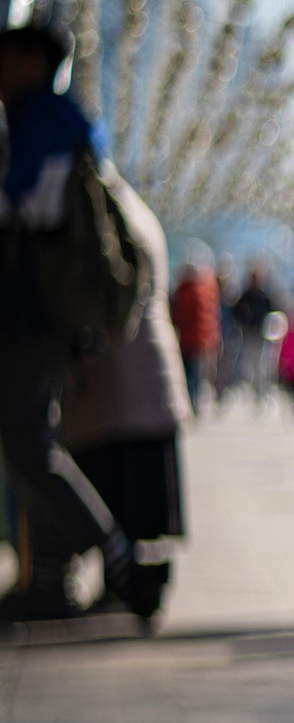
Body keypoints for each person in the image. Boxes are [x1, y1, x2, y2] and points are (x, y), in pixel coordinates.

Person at [0, 24, 141, 622]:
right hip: (36, 311)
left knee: (30, 445)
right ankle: (51, 576)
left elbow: (20, 202)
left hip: (31, 313)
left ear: (34, 62)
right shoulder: (55, 117)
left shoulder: (45, 118)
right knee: (29, 442)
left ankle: (117, 556)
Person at [54, 167, 191, 623]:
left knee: (123, 489)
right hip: (143, 375)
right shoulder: (130, 204)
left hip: (115, 374)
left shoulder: (98, 205)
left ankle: (131, 585)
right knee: (146, 495)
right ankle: (140, 585)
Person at [170, 261, 222, 414]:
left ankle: (190, 404)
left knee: (189, 375)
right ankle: (194, 404)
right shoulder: (203, 290)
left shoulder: (186, 291)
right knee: (195, 374)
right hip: (199, 339)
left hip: (187, 339)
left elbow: (181, 315)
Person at [229, 263, 279, 410]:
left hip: (262, 335)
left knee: (262, 365)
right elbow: (236, 313)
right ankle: (255, 392)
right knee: (249, 365)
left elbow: (274, 314)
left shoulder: (265, 296)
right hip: (248, 334)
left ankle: (262, 393)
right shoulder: (245, 296)